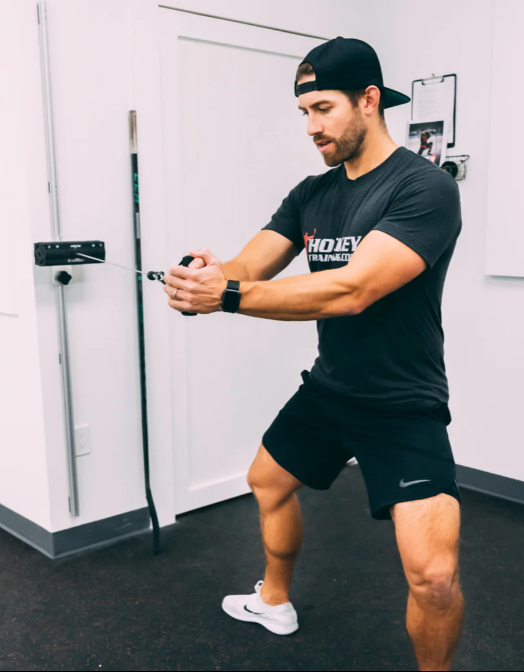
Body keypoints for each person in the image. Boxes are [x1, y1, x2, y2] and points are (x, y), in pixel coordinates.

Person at [163, 36, 464, 672]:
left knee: (434, 577)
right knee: (267, 482)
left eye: (323, 108)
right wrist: (206, 278)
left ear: (369, 100)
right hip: (330, 390)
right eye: (304, 112)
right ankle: (273, 600)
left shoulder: (425, 187)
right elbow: (249, 265)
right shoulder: (312, 193)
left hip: (402, 402)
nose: (311, 127)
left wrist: (229, 297)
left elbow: (353, 290)